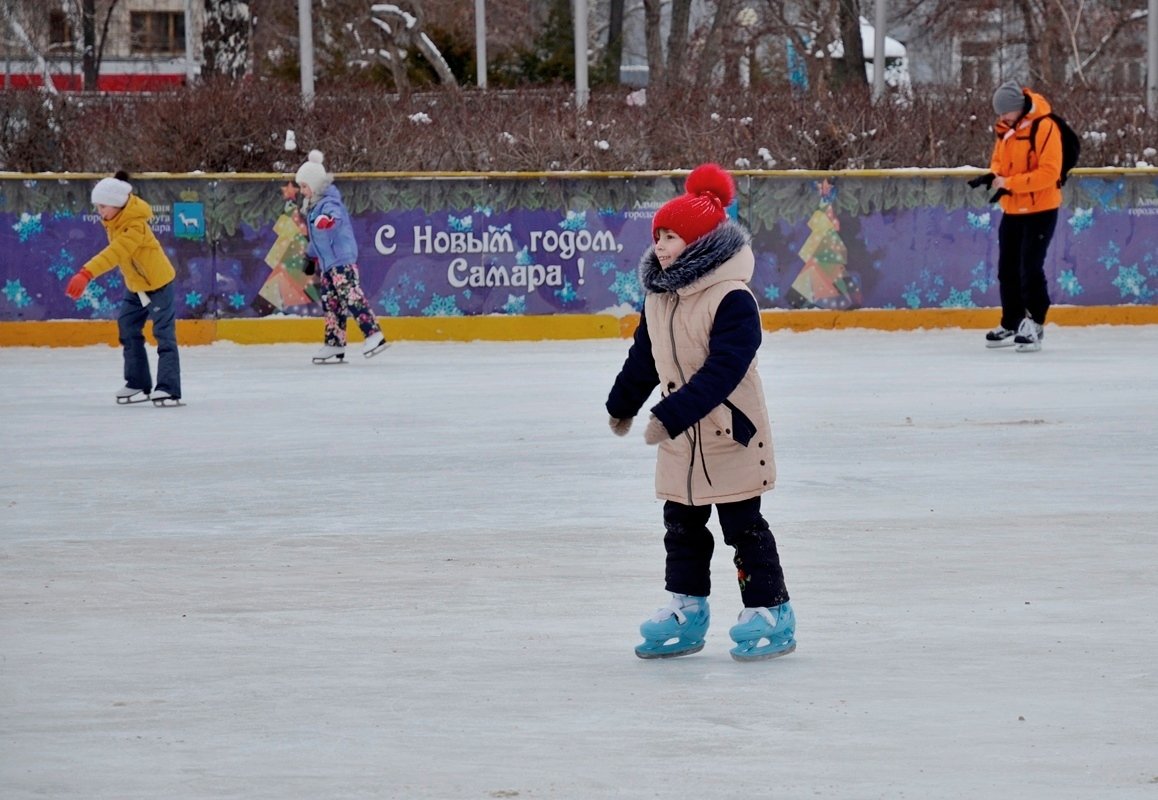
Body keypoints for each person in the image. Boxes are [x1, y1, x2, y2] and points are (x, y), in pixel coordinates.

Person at [605, 163, 794, 662]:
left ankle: (770, 609)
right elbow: (644, 357)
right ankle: (686, 608)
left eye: (671, 237)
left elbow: (723, 371)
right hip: (681, 439)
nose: (660, 246)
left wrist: (672, 413)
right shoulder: (659, 298)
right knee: (681, 527)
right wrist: (622, 404)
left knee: (743, 526)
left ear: (701, 243)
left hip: (729, 432)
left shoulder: (733, 299)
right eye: (658, 236)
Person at [64, 171, 183, 406]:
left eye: (103, 207)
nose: (100, 212)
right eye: (98, 207)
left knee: (164, 336)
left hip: (158, 285)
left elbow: (115, 253)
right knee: (127, 327)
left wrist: (86, 273)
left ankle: (168, 388)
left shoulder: (135, 226)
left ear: (117, 204)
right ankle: (138, 381)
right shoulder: (115, 220)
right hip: (136, 287)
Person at [970, 81, 1063, 353]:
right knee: (1007, 269)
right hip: (1012, 209)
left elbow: (1049, 173)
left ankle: (1035, 324)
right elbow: (998, 160)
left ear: (1019, 109)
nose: (1001, 118)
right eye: (999, 114)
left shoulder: (1045, 127)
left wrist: (1010, 182)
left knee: (1030, 268)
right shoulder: (1006, 131)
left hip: (1041, 210)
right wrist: (994, 176)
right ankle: (1012, 321)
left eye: (1005, 113)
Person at [294, 150, 389, 364]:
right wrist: (311, 257)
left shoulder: (328, 203)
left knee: (351, 297)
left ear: (315, 185)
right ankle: (334, 344)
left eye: (304, 186)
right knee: (331, 304)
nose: (302, 191)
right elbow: (317, 239)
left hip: (342, 262)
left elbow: (334, 217)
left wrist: (327, 220)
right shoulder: (313, 208)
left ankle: (374, 335)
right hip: (328, 266)